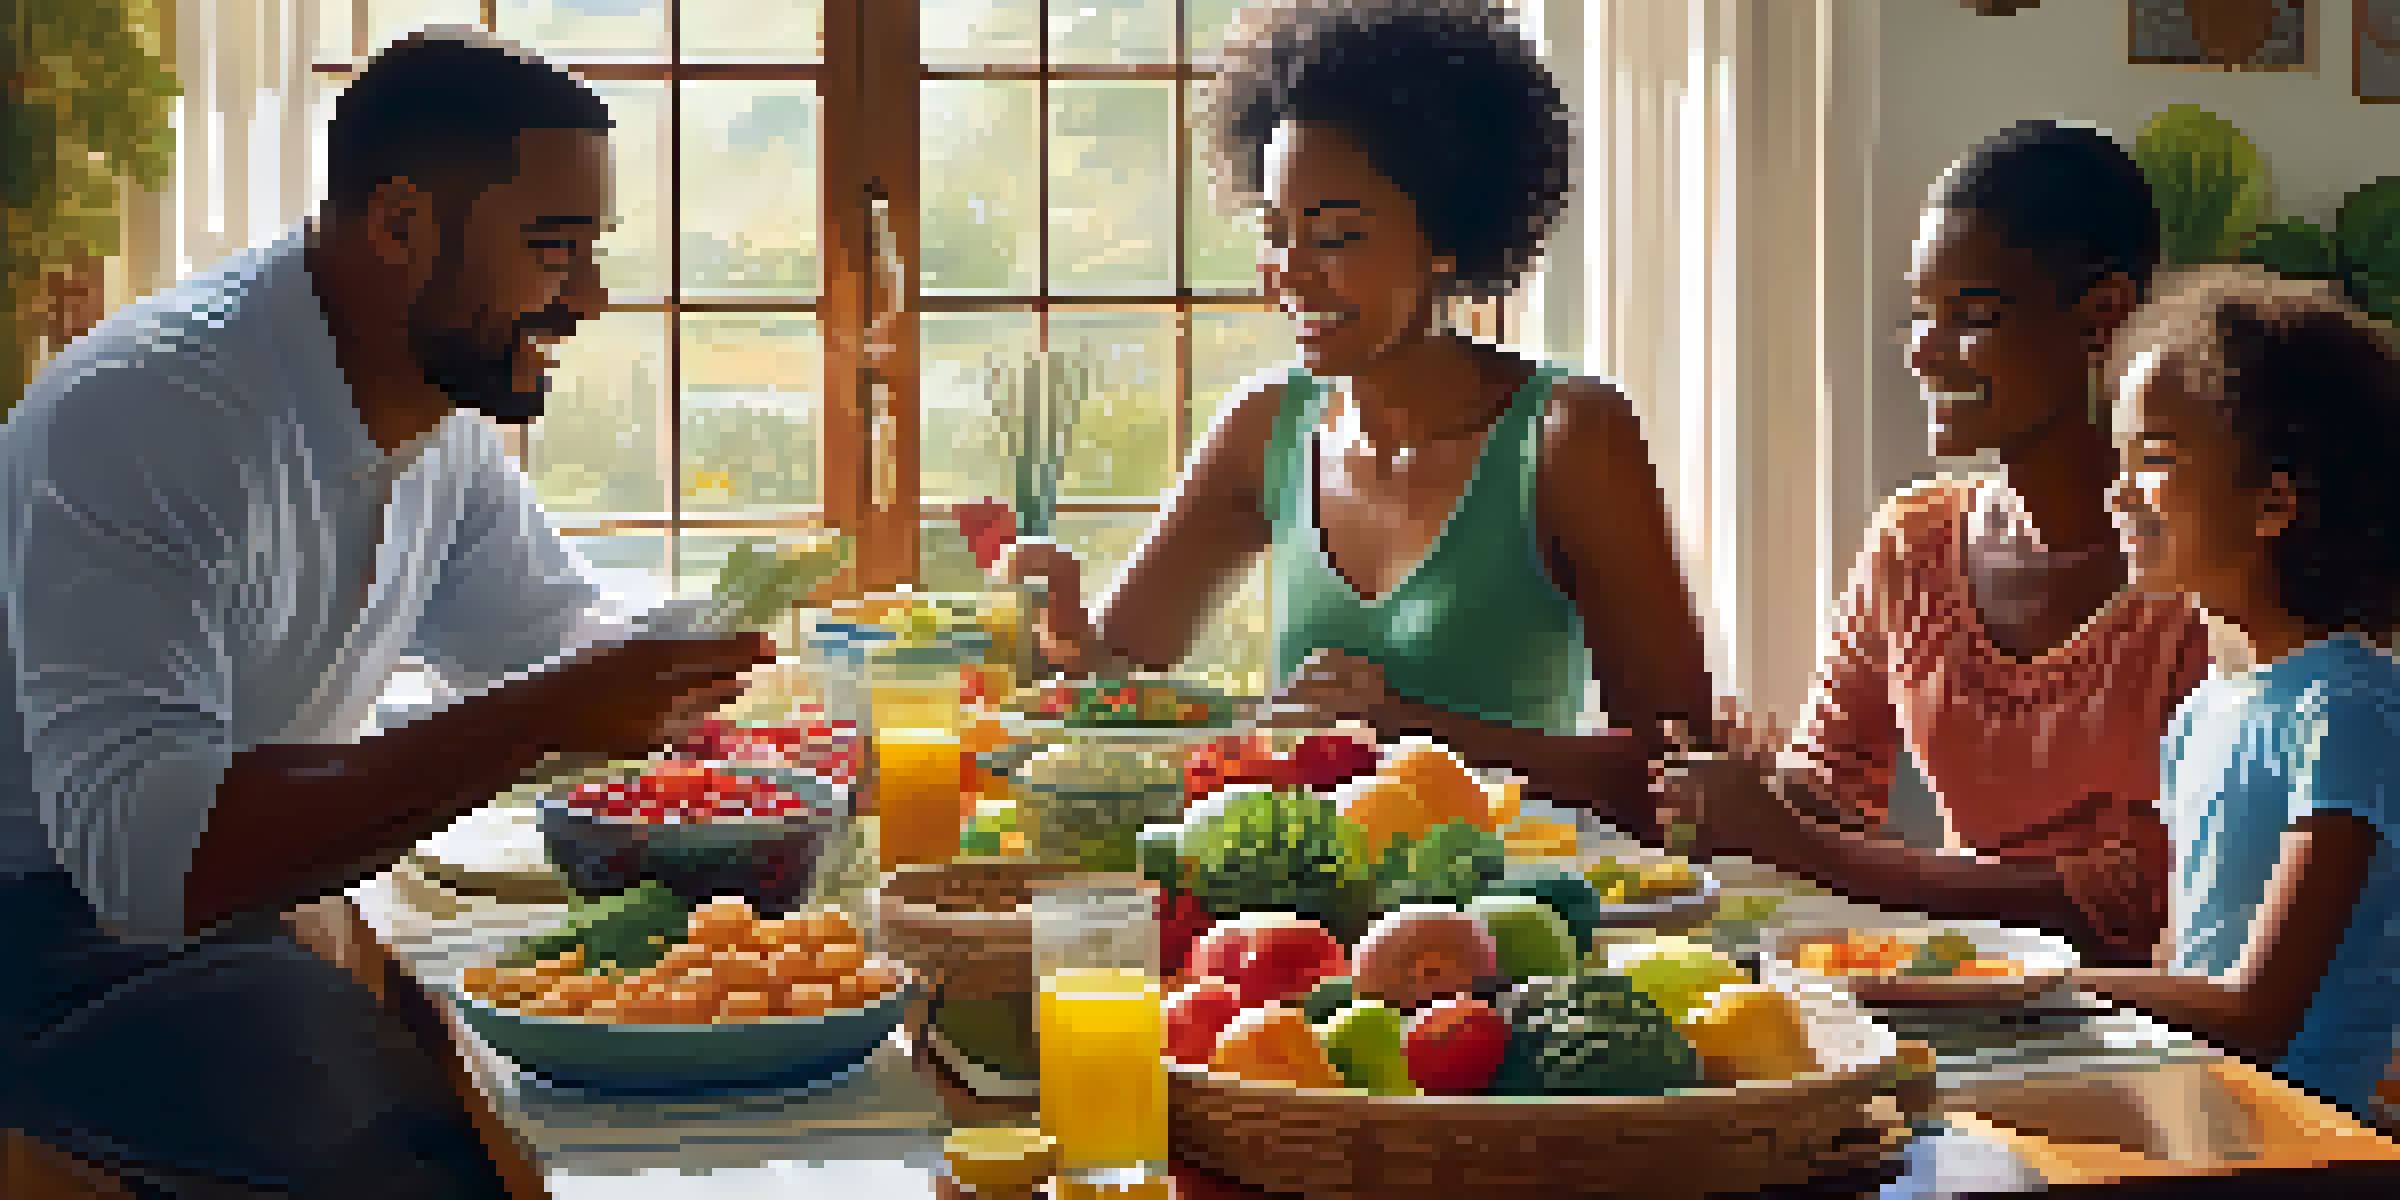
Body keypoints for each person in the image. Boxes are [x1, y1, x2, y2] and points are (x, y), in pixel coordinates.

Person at [0, 30, 773, 1194]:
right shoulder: (154, 416)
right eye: (552, 250)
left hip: (210, 920)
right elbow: (144, 865)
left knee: (621, 1074)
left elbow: (549, 643)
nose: (593, 299)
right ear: (401, 225)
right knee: (439, 1150)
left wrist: (729, 665)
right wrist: (551, 712)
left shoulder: (433, 417)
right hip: (50, 936)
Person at [997, 0, 1716, 826]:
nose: (1290, 274)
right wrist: (1055, 626)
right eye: (1275, 233)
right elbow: (1116, 700)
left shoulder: (1569, 438)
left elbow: (1685, 770)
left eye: (1335, 237)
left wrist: (1405, 733)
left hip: (1510, 925)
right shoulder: (1265, 428)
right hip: (1286, 916)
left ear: (1445, 237)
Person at [1658, 121, 2210, 966]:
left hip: (2144, 1033)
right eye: (1922, 313)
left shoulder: (2194, 580)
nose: (1925, 350)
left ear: (2104, 316)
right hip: (1960, 995)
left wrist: (1795, 841)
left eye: (1973, 315)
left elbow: (2139, 901)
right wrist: (1740, 788)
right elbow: (1831, 797)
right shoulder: (1913, 543)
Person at [2068, 265, 2400, 1122]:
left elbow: (2258, 1014)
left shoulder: (2345, 711)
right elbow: (2185, 973)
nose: (2118, 492)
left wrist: (2038, 986)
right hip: (2202, 1120)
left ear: (2273, 503)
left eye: (2156, 460)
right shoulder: (2204, 709)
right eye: (2122, 458)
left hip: (2306, 1150)